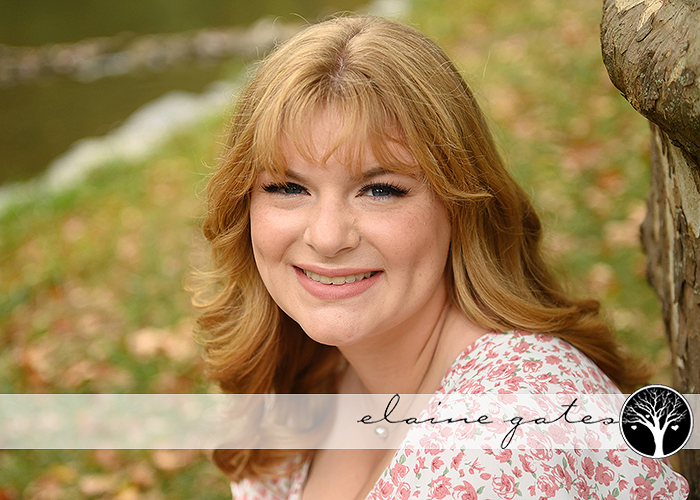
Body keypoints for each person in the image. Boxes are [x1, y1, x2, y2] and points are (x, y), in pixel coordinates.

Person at [193, 15, 689, 500]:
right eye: (287, 187)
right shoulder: (303, 382)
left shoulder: (513, 436)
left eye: (380, 190)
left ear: (459, 206)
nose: (326, 237)